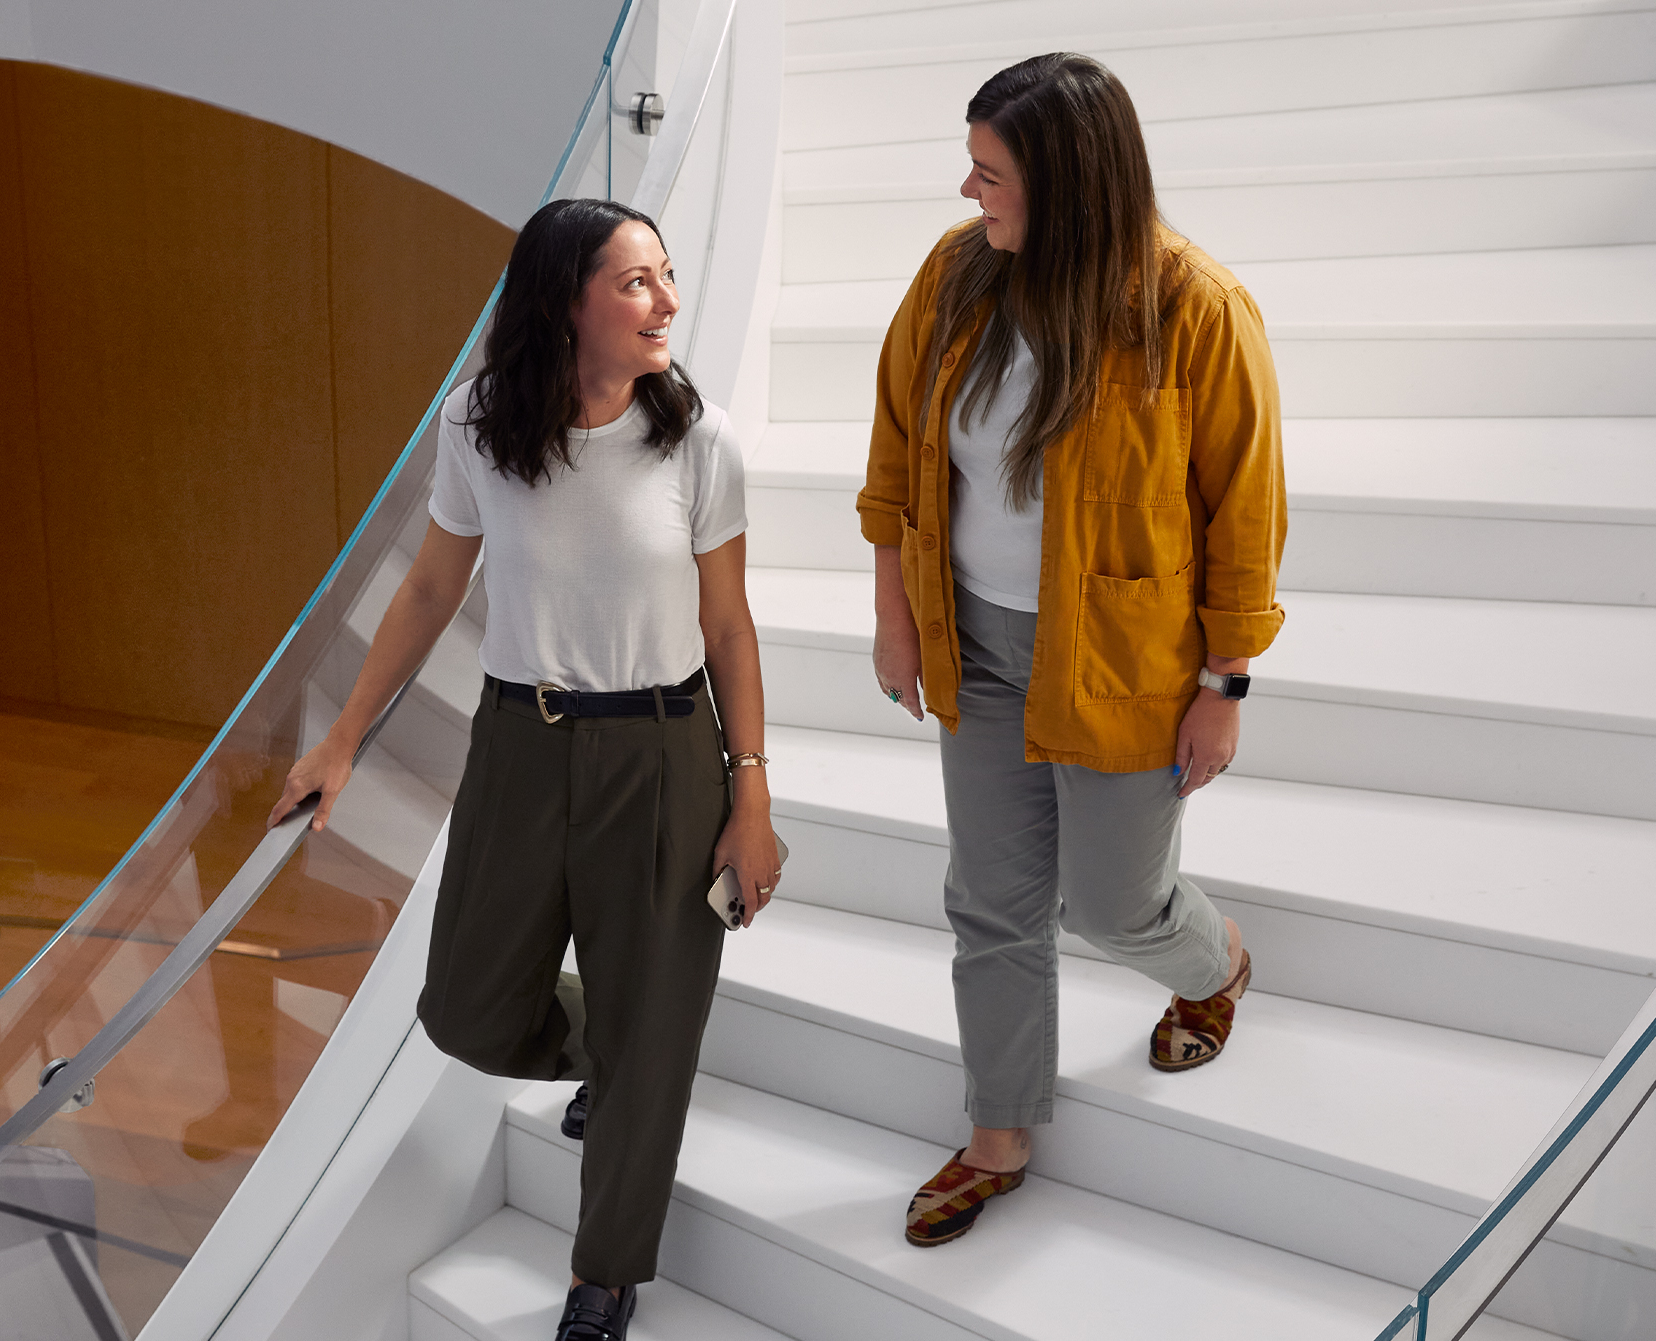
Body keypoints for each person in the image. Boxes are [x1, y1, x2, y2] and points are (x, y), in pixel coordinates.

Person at [270, 197, 780, 1341]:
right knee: (465, 1008)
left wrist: (750, 797)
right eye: (637, 282)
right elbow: (428, 589)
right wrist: (343, 739)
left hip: (660, 752)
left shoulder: (698, 440)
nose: (668, 303)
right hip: (518, 746)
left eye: (664, 277)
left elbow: (730, 629)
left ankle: (603, 1279)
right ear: (565, 301)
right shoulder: (478, 424)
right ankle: (625, 1040)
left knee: (648, 1047)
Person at [859, 53, 1286, 1248]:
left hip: (1124, 662)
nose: (966, 191)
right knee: (987, 903)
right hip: (974, 648)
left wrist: (1224, 684)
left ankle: (1215, 959)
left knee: (1113, 901)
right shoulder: (953, 280)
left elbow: (1241, 517)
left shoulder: (1194, 307)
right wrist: (895, 614)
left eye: (989, 174)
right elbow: (897, 460)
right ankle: (999, 1132)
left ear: (1068, 183)